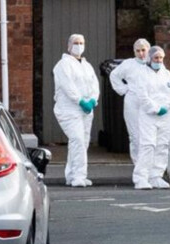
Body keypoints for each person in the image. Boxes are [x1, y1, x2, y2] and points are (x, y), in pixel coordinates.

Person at [53, 33, 100, 188]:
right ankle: (78, 175)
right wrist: (80, 101)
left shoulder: (87, 66)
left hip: (86, 110)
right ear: (69, 46)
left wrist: (93, 99)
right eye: (76, 43)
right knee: (77, 139)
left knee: (82, 142)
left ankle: (74, 175)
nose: (79, 45)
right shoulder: (63, 65)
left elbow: (94, 85)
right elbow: (68, 86)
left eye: (81, 42)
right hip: (69, 109)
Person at [133, 46, 170, 190]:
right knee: (148, 145)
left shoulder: (167, 74)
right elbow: (142, 96)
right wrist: (156, 108)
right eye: (156, 58)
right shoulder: (142, 74)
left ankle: (156, 176)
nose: (158, 61)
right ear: (150, 59)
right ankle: (141, 177)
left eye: (160, 58)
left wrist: (166, 107)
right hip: (148, 116)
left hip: (166, 115)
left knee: (162, 145)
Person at [109, 38, 150, 165]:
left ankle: (151, 167)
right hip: (133, 101)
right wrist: (124, 89)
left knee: (149, 135)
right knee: (135, 135)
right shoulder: (128, 64)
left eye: (143, 50)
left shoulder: (153, 62)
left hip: (150, 102)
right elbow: (114, 75)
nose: (141, 53)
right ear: (134, 51)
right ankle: (138, 165)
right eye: (138, 51)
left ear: (148, 50)